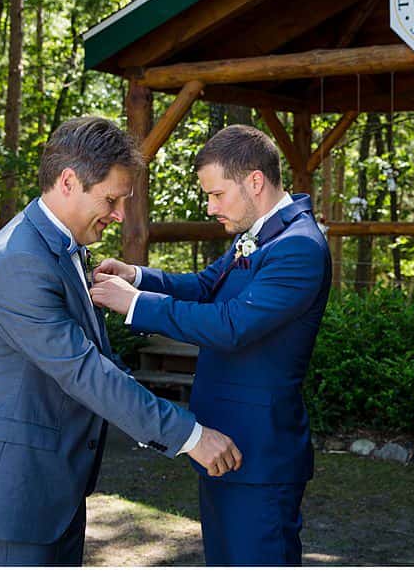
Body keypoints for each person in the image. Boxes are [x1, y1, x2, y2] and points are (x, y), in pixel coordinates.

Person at [0, 116, 242, 566]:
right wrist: (188, 435)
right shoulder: (16, 263)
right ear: (68, 182)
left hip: (55, 488)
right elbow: (86, 372)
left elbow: (103, 360)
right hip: (16, 497)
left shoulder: (59, 248)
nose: (119, 214)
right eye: (111, 199)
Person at [89, 124, 331, 566]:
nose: (210, 205)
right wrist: (136, 276)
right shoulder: (259, 232)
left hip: (259, 454)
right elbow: (205, 286)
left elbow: (231, 325)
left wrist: (135, 305)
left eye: (217, 194)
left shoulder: (299, 247)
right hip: (221, 443)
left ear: (254, 181)